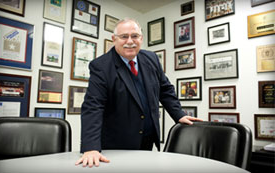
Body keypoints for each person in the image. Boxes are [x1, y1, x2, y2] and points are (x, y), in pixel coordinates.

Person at [75, 18, 202, 168]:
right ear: (114, 39)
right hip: (117, 145)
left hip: (147, 140)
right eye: (124, 37)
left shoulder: (151, 58)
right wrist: (91, 147)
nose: (130, 41)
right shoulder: (101, 66)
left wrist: (178, 114)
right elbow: (93, 107)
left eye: (135, 36)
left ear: (141, 38)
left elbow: (165, 88)